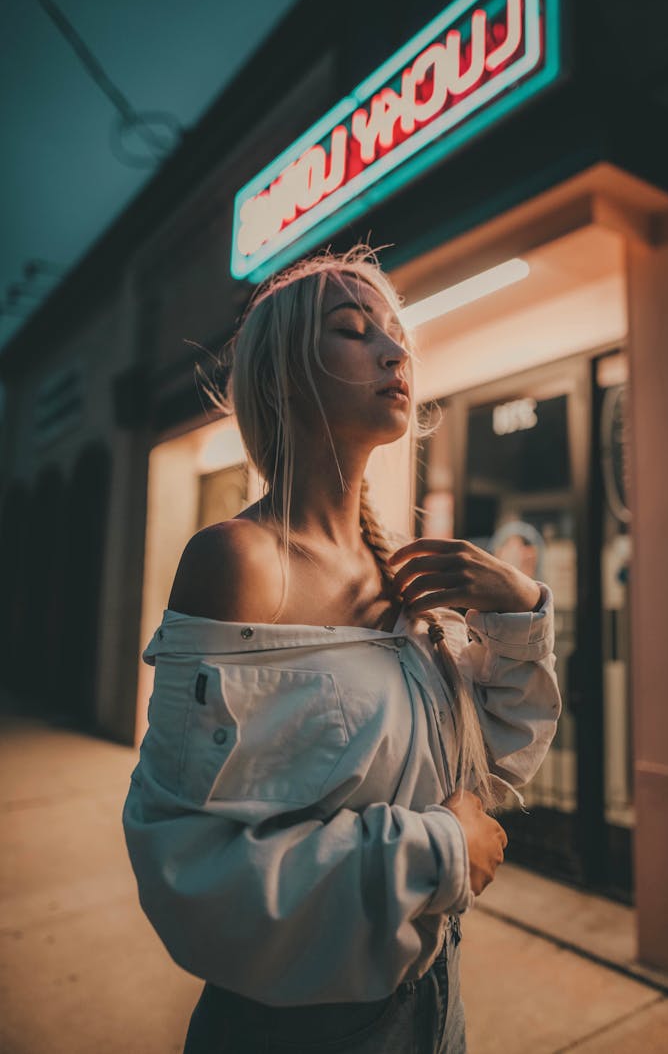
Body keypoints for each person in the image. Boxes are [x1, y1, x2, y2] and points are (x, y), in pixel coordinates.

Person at [122, 243, 561, 1053]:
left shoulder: (400, 570)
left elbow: (492, 764)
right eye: (355, 330)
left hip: (435, 1001)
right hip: (297, 1029)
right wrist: (440, 849)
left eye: (397, 334)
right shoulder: (239, 562)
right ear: (284, 375)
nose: (396, 351)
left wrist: (518, 609)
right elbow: (189, 870)